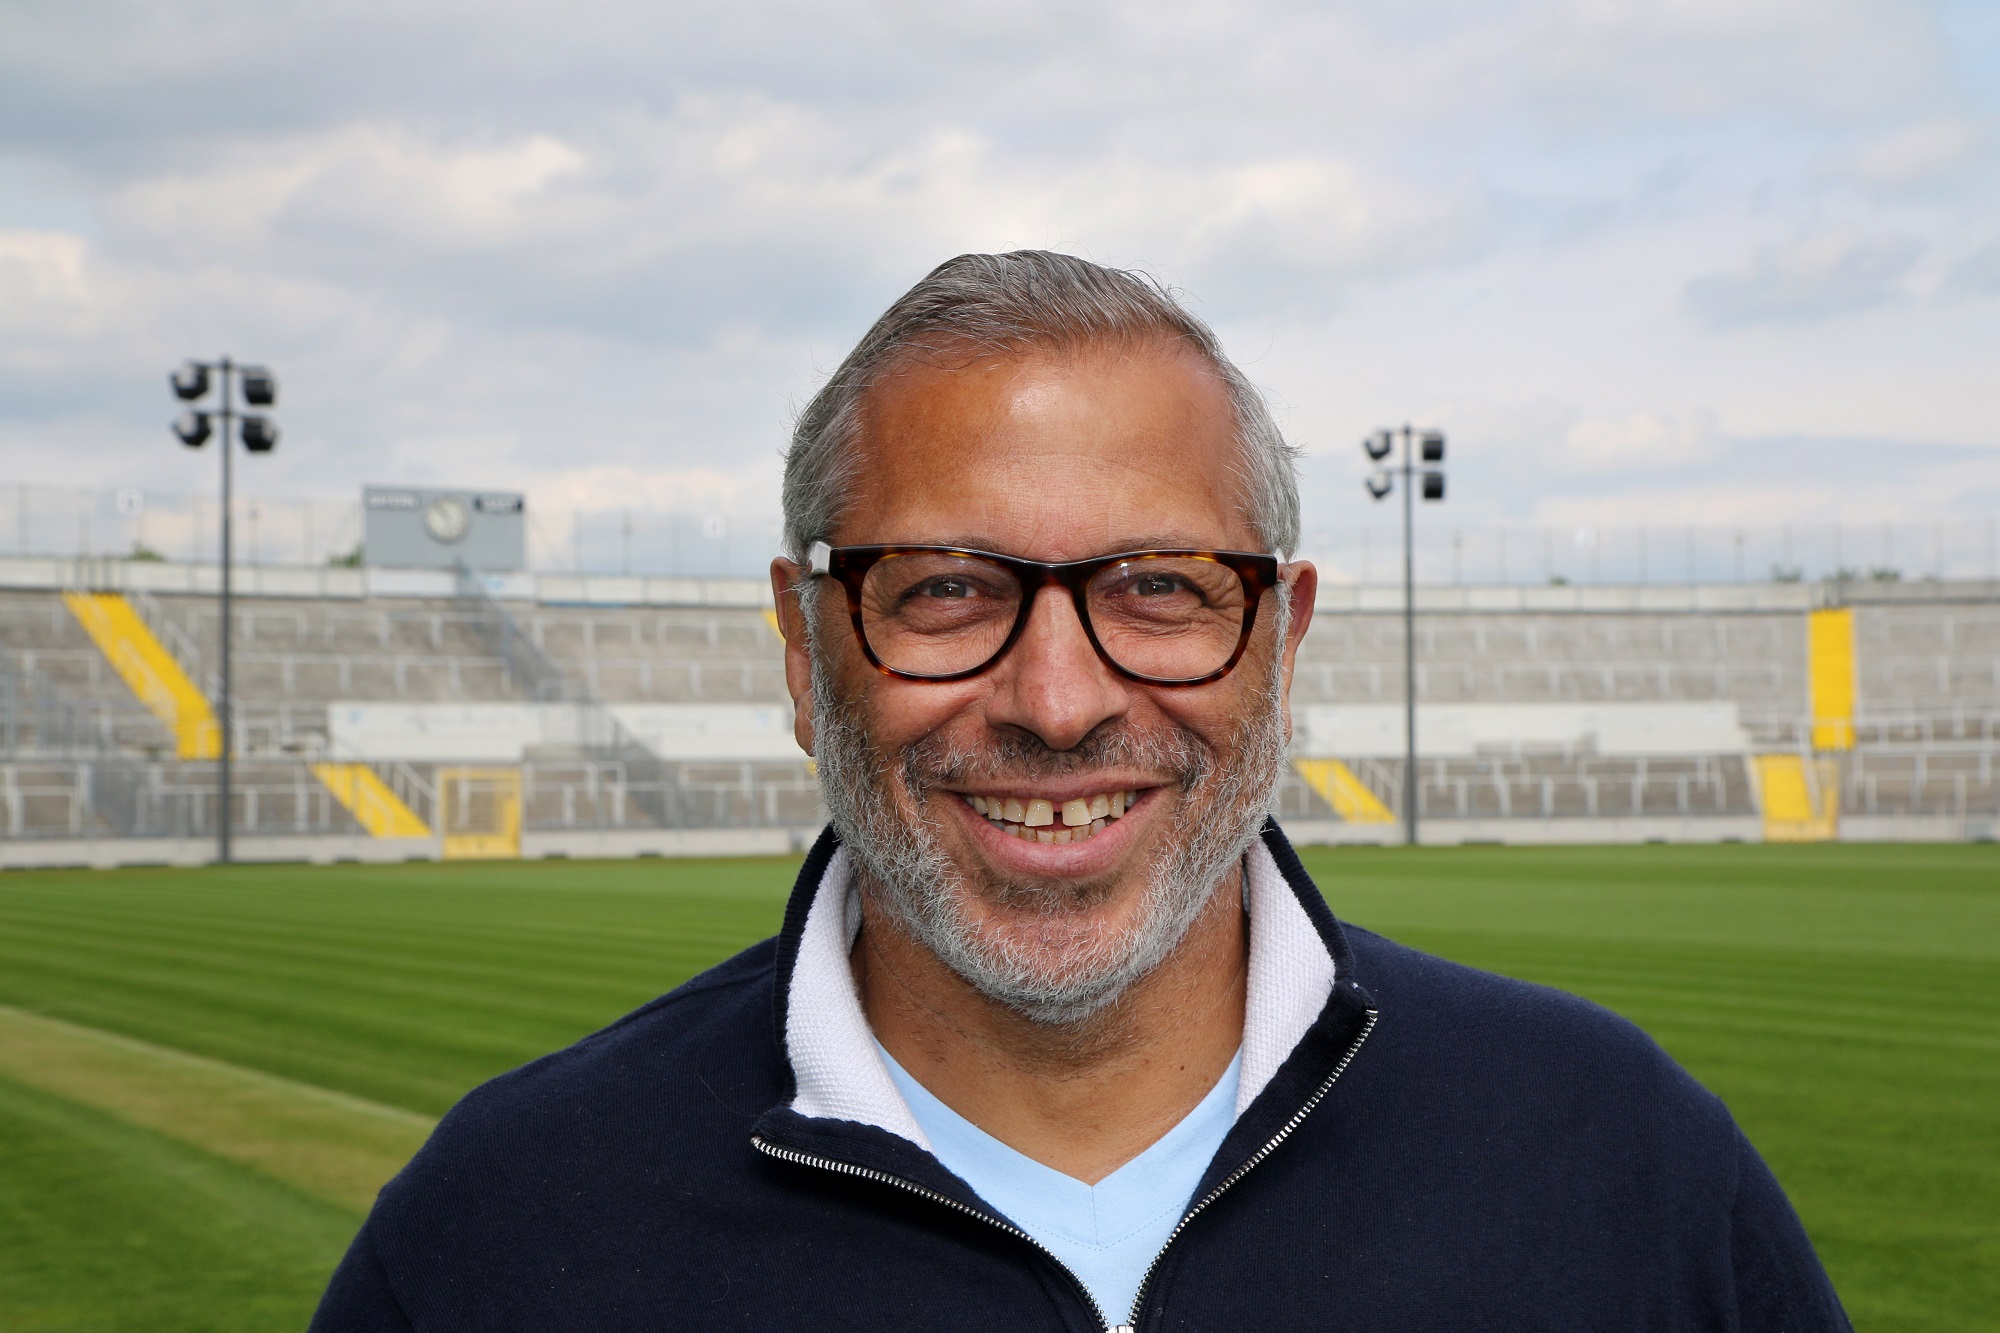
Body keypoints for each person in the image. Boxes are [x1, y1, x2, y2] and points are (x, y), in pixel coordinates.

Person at [310, 251, 1851, 1331]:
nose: (1058, 700)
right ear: (801, 646)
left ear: (1285, 636)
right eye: (947, 591)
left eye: (1165, 588)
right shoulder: (504, 1233)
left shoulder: (1622, 1163)